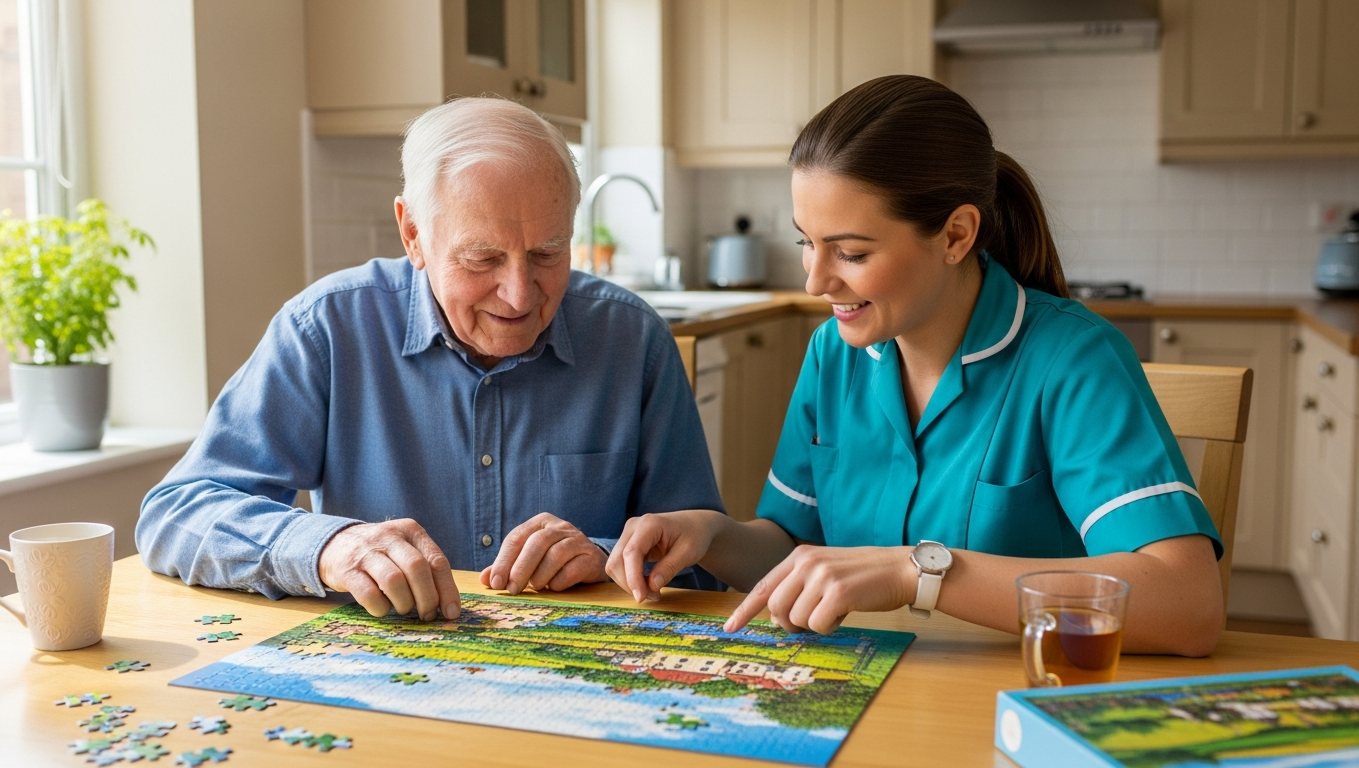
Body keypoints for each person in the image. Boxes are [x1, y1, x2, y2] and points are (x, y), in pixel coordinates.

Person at [606, 75, 1225, 657]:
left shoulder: (1072, 359)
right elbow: (796, 547)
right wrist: (711, 535)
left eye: (850, 252)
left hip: (1013, 696)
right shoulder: (833, 353)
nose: (817, 279)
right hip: (865, 687)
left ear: (956, 236)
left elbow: (1189, 605)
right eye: (805, 242)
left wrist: (918, 571)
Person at [138, 97, 723, 620]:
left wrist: (603, 555)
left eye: (547, 253)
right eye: (481, 259)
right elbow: (174, 515)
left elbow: (704, 558)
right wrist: (329, 548)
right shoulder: (328, 329)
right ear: (412, 234)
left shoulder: (633, 339)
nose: (520, 294)